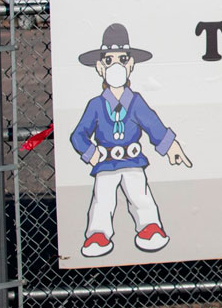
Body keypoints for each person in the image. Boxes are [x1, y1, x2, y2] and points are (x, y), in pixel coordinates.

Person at [70, 23, 192, 257]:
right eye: (109, 60)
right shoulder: (96, 105)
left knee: (141, 196)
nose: (116, 66)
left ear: (131, 64)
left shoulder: (136, 102)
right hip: (105, 163)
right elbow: (78, 134)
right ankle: (97, 234)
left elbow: (152, 124)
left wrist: (170, 146)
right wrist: (91, 152)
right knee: (102, 200)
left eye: (122, 59)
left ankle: (150, 228)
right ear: (99, 67)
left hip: (134, 161)